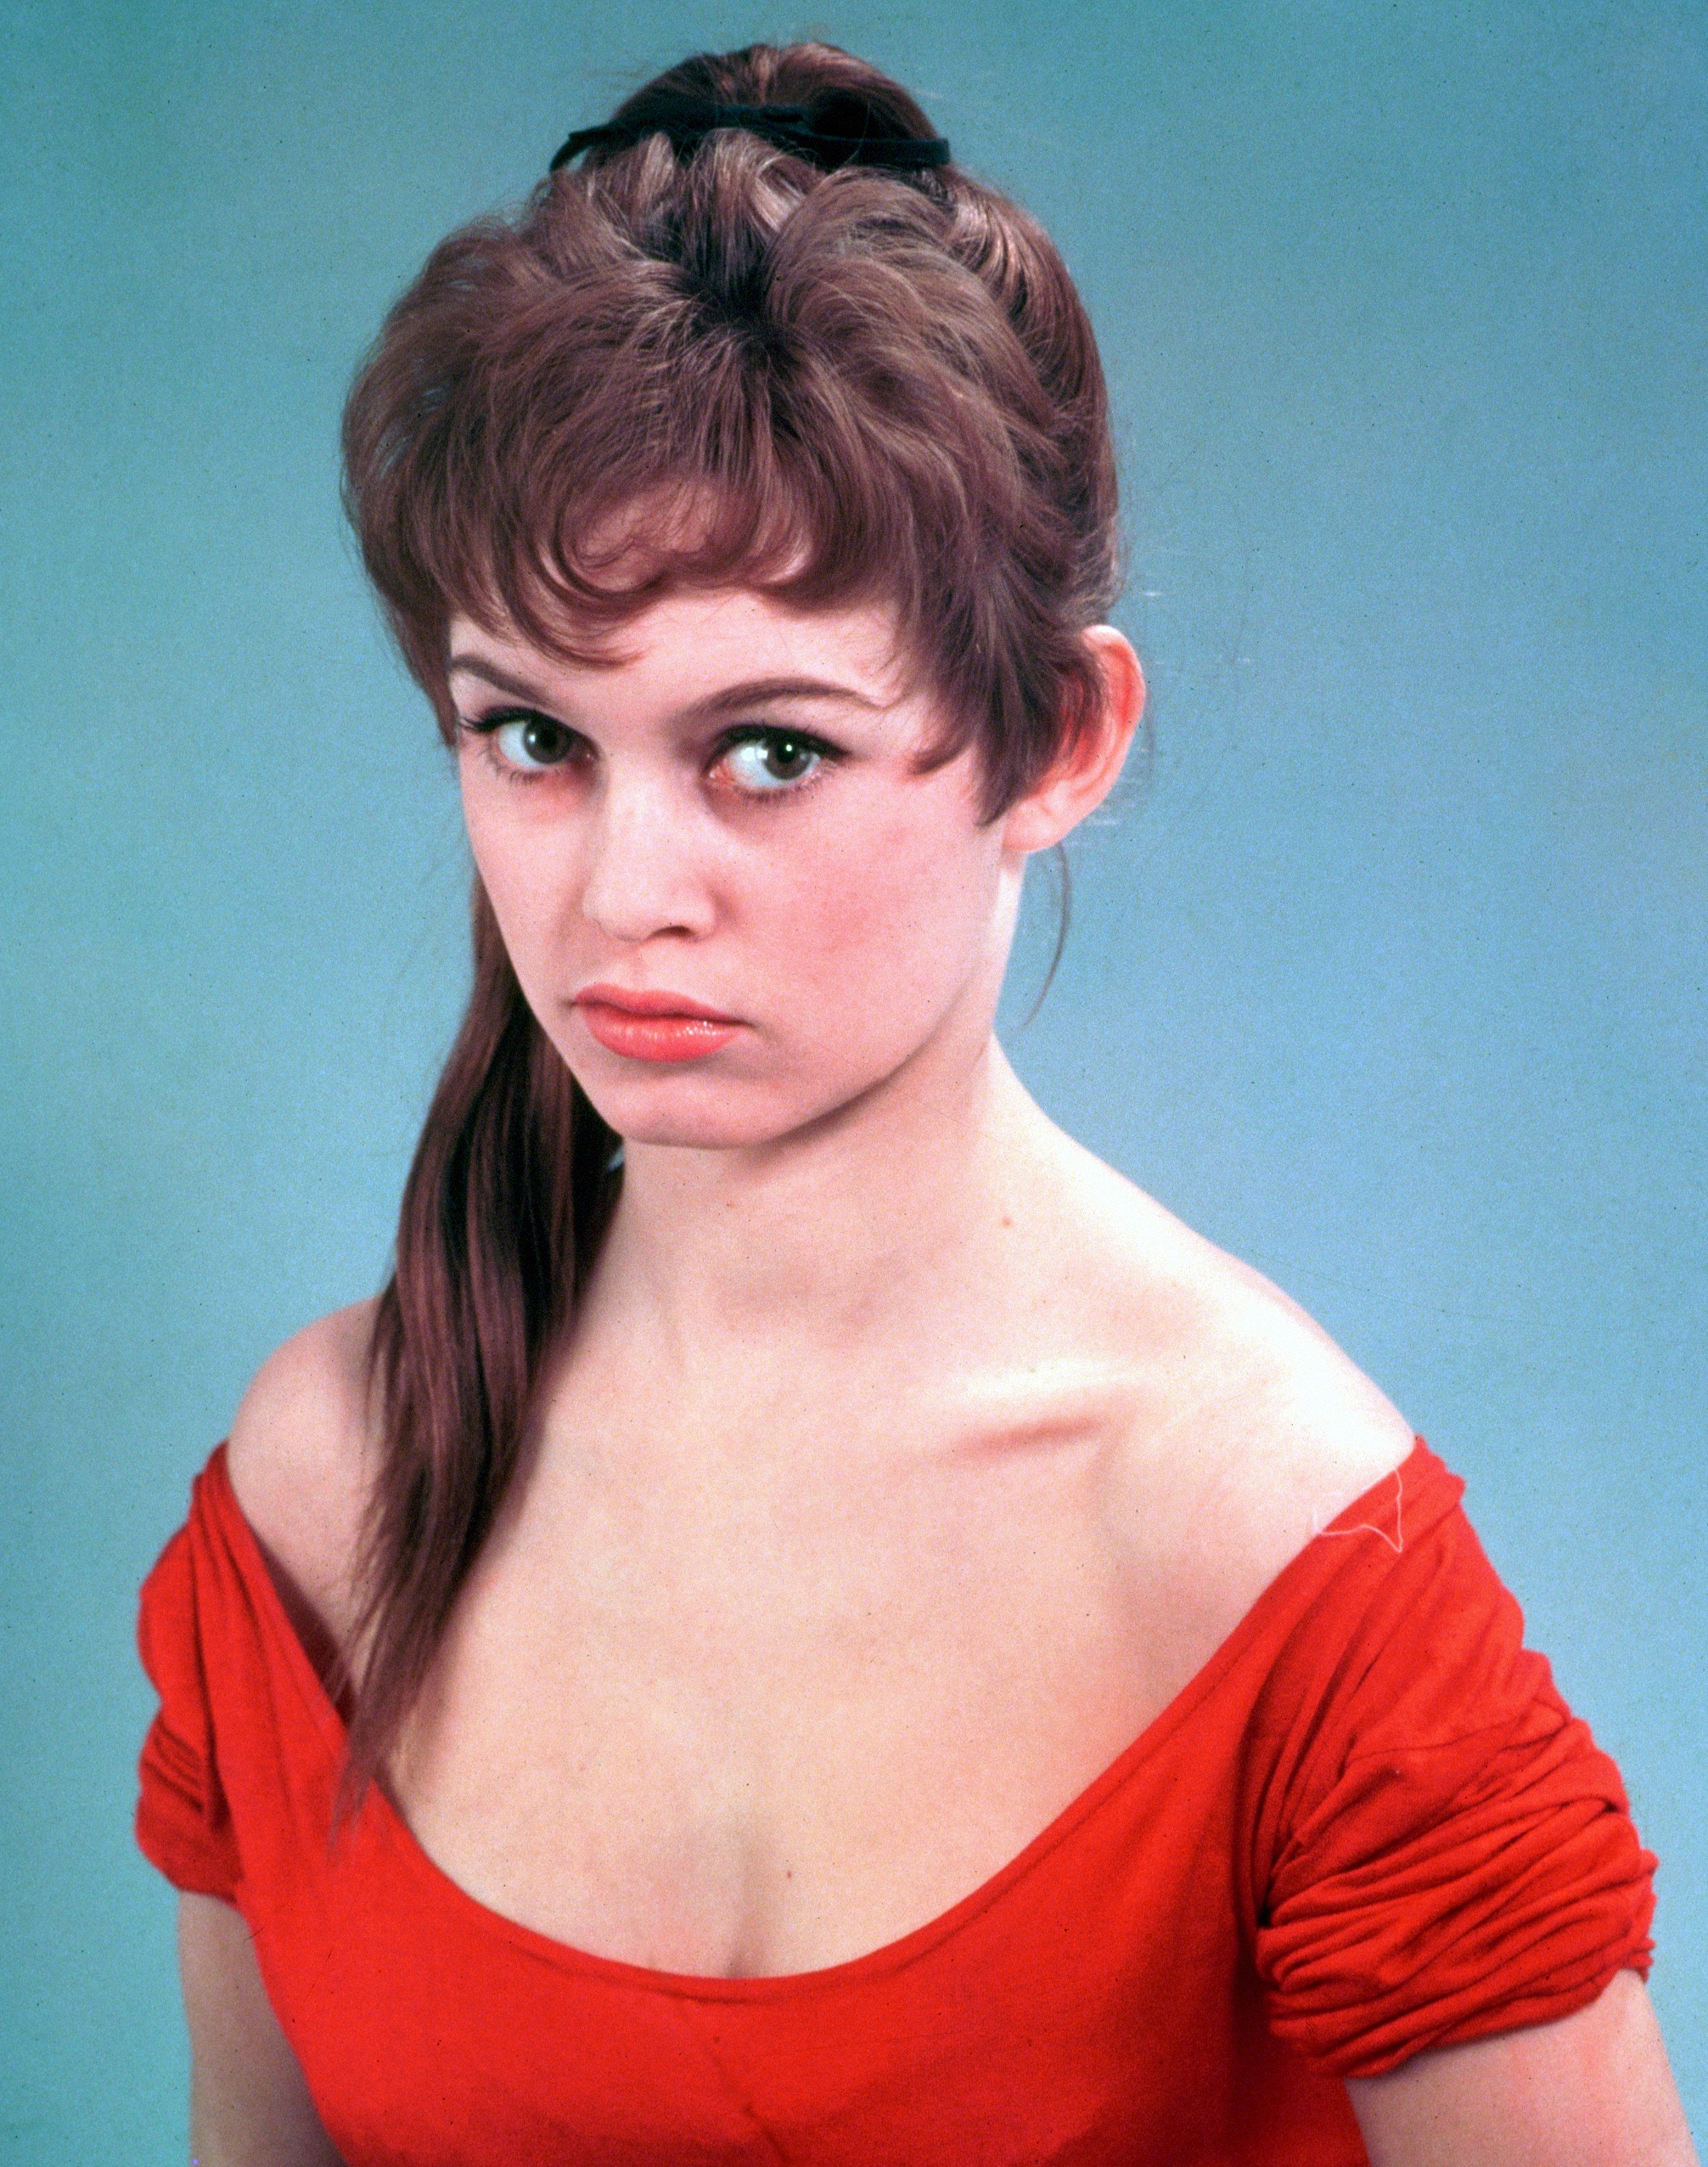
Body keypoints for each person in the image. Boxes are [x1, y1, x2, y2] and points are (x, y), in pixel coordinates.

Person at [134, 40, 1696, 2166]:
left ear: (1056, 739)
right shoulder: (321, 1491)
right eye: (533, 739)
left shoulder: (1276, 1554)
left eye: (769, 750)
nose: (622, 890)